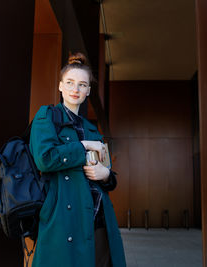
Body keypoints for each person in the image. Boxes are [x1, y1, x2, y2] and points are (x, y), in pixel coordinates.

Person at [29, 52, 126, 267]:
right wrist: (83, 147)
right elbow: (45, 159)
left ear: (88, 91)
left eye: (82, 85)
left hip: (98, 217)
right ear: (60, 86)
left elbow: (108, 171)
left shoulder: (92, 129)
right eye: (70, 83)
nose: (76, 89)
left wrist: (106, 175)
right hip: (63, 214)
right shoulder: (47, 117)